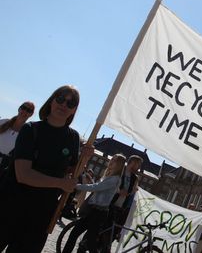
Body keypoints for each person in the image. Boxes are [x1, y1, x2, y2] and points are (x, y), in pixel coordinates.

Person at [0, 85, 94, 253]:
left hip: (41, 215)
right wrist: (59, 183)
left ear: (74, 111)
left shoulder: (73, 138)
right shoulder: (31, 130)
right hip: (10, 206)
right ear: (51, 102)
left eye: (71, 103)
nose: (64, 105)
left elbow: (73, 175)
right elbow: (23, 175)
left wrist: (84, 159)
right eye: (60, 99)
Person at [62, 154, 126, 253]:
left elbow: (96, 187)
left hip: (99, 213)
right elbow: (97, 186)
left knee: (91, 243)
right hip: (93, 210)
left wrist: (76, 186)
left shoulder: (115, 179)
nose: (111, 161)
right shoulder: (109, 175)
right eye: (112, 159)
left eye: (114, 160)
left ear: (119, 164)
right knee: (74, 234)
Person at [0, 101, 35, 173]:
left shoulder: (27, 132)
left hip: (4, 168)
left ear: (31, 114)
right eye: (24, 108)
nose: (25, 111)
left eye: (28, 110)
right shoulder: (3, 122)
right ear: (19, 109)